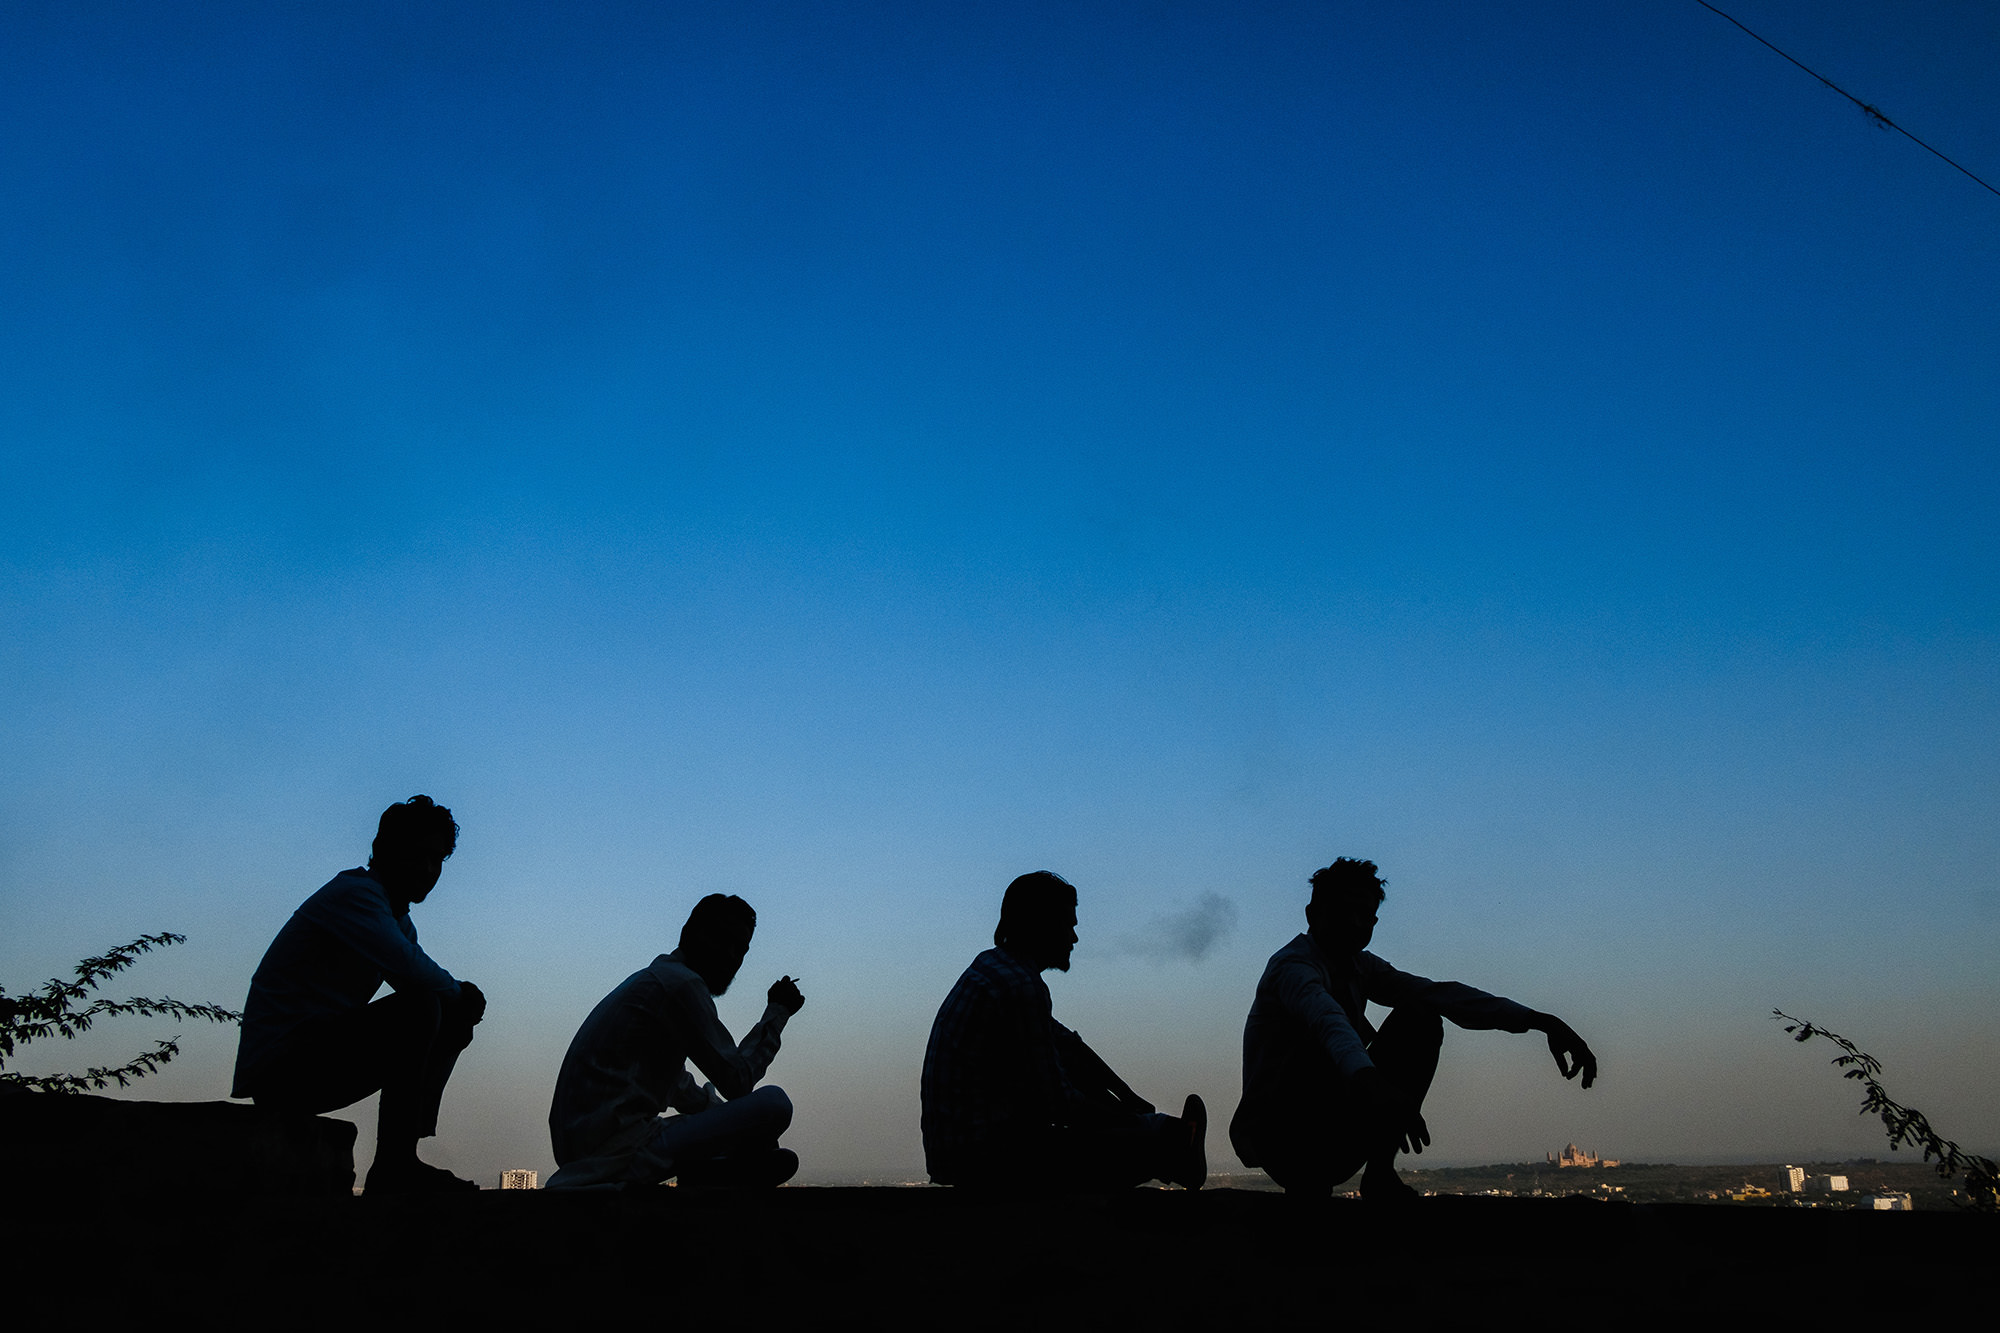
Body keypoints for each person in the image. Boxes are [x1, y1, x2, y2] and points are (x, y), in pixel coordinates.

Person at [1229, 857, 1598, 1202]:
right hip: (1281, 1138)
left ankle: (1379, 1172)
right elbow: (1328, 1022)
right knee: (1316, 1043)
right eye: (1347, 913)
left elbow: (1440, 995)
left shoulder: (1361, 967)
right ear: (1313, 914)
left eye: (1368, 917)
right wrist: (1374, 1086)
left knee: (1420, 1017)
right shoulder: (1293, 968)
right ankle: (1310, 1184)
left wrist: (1539, 1021)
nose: (1358, 925)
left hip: (1342, 1131)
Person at [232, 795, 486, 1194]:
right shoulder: (356, 895)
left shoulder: (394, 919)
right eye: (418, 855)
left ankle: (404, 1154)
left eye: (437, 859)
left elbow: (422, 984)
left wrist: (457, 1004)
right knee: (424, 1005)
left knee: (443, 1012)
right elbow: (412, 970)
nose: (428, 869)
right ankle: (394, 1165)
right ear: (386, 851)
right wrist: (459, 992)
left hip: (313, 1058)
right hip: (281, 1068)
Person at [921, 870, 1207, 1190]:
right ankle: (1174, 1148)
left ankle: (1173, 1144)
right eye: (1068, 926)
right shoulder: (1021, 986)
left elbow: (1065, 1045)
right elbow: (1059, 1102)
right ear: (1042, 924)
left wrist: (1125, 1095)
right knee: (1111, 1147)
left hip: (961, 1153)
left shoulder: (993, 968)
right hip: (986, 1159)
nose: (1074, 938)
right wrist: (1139, 1123)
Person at [547, 893, 804, 1190]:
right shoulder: (680, 984)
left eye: (741, 949)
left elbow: (682, 1089)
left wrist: (740, 1127)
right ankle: (721, 1169)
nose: (732, 957)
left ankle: (718, 1168)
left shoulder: (656, 983)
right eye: (723, 940)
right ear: (690, 935)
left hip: (595, 1152)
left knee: (750, 1129)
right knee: (776, 1103)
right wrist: (778, 1012)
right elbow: (738, 1080)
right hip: (618, 1152)